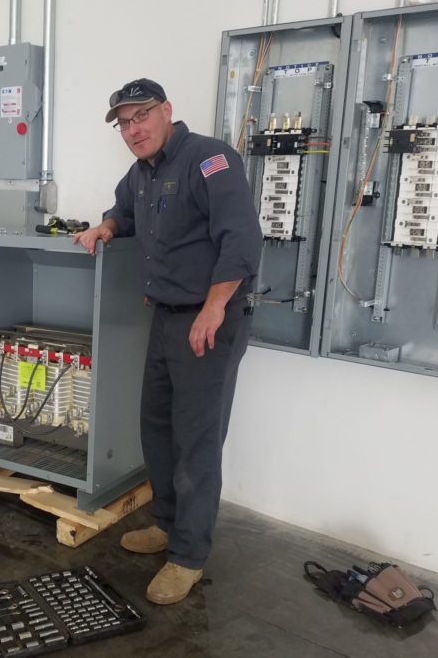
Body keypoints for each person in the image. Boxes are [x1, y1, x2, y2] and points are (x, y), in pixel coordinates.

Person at [73, 78, 262, 605]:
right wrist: (106, 228)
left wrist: (214, 306)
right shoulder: (141, 174)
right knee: (155, 427)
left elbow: (242, 240)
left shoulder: (210, 160)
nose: (133, 129)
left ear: (167, 111)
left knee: (196, 441)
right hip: (166, 319)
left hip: (209, 320)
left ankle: (188, 557)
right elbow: (125, 212)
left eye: (142, 116)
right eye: (124, 123)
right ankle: (167, 524)